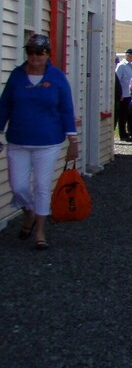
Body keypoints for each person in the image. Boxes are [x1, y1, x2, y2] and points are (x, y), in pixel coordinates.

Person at [0, 34, 78, 250]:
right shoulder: (17, 76)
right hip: (18, 139)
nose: (34, 56)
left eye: (39, 52)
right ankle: (30, 212)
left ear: (47, 54)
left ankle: (40, 232)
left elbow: (66, 109)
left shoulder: (57, 78)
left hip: (48, 141)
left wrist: (73, 140)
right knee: (18, 186)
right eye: (31, 52)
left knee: (42, 186)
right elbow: (4, 106)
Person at [115, 48, 132, 141]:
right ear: (128, 55)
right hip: (123, 94)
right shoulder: (121, 66)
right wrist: (119, 93)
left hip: (130, 94)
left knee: (129, 115)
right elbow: (117, 80)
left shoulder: (131, 66)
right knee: (123, 115)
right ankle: (122, 133)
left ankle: (130, 131)